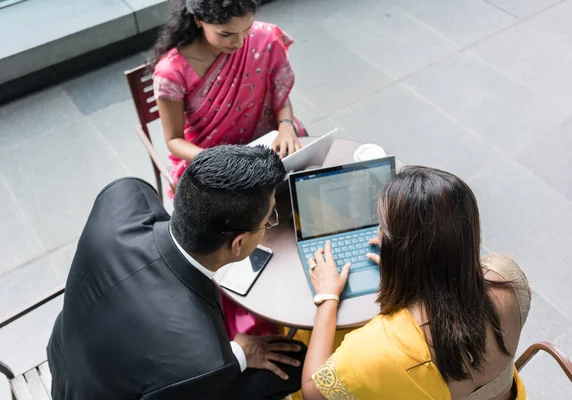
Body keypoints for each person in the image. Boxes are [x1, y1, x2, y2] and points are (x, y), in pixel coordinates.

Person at [47, 145, 306, 400]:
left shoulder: (124, 194)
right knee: (298, 363)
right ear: (237, 244)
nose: (269, 223)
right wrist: (239, 354)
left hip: (65, 358)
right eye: (267, 221)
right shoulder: (204, 365)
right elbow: (194, 373)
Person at [300, 166, 531, 400]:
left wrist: (328, 298)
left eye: (382, 227)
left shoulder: (378, 347)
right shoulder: (508, 277)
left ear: (398, 249)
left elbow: (312, 392)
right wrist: (408, 265)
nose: (379, 232)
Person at [150, 0, 307, 190]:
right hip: (212, 154)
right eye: (226, 34)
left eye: (246, 29)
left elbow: (278, 95)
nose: (239, 42)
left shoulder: (264, 37)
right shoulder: (171, 73)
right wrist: (217, 160)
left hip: (269, 140)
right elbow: (174, 140)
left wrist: (286, 126)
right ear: (199, 20)